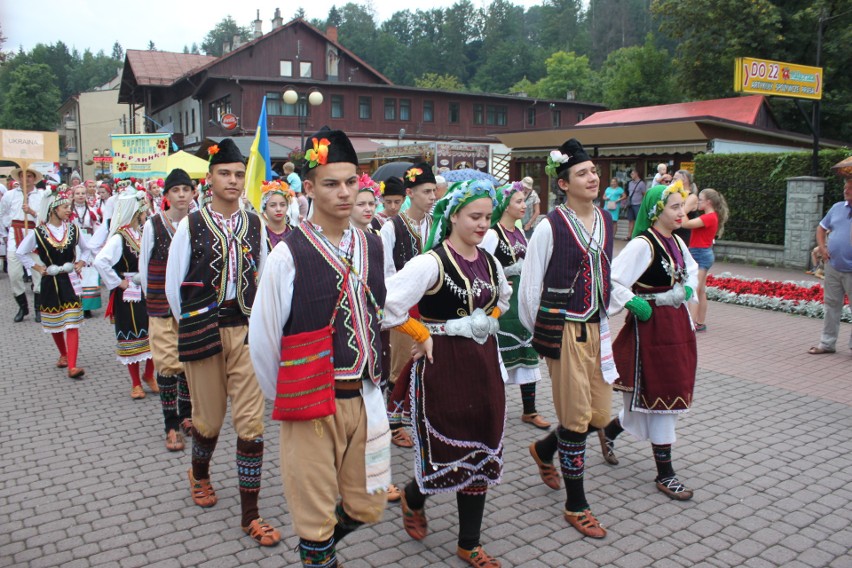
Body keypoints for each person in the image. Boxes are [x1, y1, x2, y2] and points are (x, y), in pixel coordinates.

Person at [249, 127, 390, 567]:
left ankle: (322, 548)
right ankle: (318, 551)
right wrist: (291, 396)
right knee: (313, 520)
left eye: (351, 181)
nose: (344, 192)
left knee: (370, 503)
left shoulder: (372, 243)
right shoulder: (287, 254)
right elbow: (265, 339)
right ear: (307, 189)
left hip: (366, 399)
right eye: (331, 183)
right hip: (313, 402)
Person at [384, 178, 511, 568]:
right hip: (444, 366)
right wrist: (420, 331)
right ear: (453, 214)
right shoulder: (431, 262)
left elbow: (503, 298)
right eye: (474, 216)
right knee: (447, 447)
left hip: (483, 364)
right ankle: (414, 494)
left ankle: (468, 543)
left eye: (488, 217)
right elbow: (387, 303)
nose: (482, 224)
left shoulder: (489, 261)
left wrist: (486, 318)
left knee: (482, 441)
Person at [165, 138, 280, 547]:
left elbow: (264, 278)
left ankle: (251, 514)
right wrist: (193, 328)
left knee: (251, 423)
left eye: (237, 174)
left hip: (245, 330)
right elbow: (174, 284)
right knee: (208, 419)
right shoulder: (189, 225)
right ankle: (199, 473)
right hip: (203, 329)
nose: (232, 180)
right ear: (208, 179)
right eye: (224, 173)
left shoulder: (256, 224)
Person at [519, 138, 616, 539]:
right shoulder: (550, 226)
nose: (592, 177)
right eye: (582, 173)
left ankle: (544, 450)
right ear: (563, 183)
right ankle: (576, 504)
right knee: (575, 420)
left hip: (598, 327)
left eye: (593, 171)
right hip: (565, 331)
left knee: (599, 416)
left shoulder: (607, 221)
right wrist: (544, 338)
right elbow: (529, 290)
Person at [602, 180, 699, 500]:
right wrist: (632, 302)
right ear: (657, 211)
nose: (680, 212)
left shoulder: (677, 242)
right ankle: (665, 473)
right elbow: (614, 279)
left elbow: (692, 270)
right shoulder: (643, 244)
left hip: (677, 326)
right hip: (652, 327)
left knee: (657, 395)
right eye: (673, 207)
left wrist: (686, 290)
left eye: (681, 206)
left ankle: (608, 432)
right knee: (660, 393)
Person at [482, 181, 550, 430]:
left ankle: (530, 410)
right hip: (503, 302)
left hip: (523, 299)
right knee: (500, 354)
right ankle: (494, 409)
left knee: (527, 350)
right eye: (519, 202)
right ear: (505, 206)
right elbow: (481, 263)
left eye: (524, 201)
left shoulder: (520, 232)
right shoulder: (492, 234)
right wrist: (503, 273)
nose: (524, 205)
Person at [380, 163, 437, 449]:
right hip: (403, 306)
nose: (432, 197)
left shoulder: (434, 223)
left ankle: (415, 415)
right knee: (399, 364)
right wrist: (397, 305)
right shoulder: (391, 228)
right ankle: (392, 425)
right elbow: (387, 272)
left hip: (430, 304)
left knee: (424, 361)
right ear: (410, 193)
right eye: (426, 192)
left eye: (433, 191)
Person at [139, 168, 194, 452]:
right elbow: (144, 268)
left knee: (188, 363)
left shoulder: (198, 222)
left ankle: (186, 414)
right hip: (161, 305)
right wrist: (156, 301)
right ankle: (170, 423)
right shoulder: (153, 225)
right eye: (176, 190)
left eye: (186, 189)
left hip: (191, 306)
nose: (182, 194)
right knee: (167, 364)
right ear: (167, 196)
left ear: (193, 193)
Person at [15, 187, 89, 378]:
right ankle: (63, 354)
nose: (68, 210)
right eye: (65, 207)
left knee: (72, 322)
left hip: (69, 279)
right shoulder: (38, 232)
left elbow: (87, 249)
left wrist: (81, 262)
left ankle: (72, 365)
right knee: (56, 322)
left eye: (69, 207)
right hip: (50, 280)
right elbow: (21, 252)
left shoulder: (73, 229)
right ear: (53, 209)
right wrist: (38, 267)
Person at [93, 185, 157, 398]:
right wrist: (119, 282)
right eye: (143, 211)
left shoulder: (141, 233)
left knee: (152, 333)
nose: (145, 214)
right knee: (132, 334)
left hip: (145, 290)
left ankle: (149, 374)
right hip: (128, 292)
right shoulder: (119, 238)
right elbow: (101, 261)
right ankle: (135, 383)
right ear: (136, 213)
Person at [807, 173, 852, 354]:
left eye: (850, 188)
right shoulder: (837, 208)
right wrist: (822, 246)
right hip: (833, 265)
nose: (846, 191)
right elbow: (821, 227)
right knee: (831, 304)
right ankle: (827, 343)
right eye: (845, 188)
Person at [681, 188, 728, 332]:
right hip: (703, 253)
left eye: (700, 200)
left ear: (708, 202)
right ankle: (700, 322)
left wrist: (682, 209)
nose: (698, 202)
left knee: (695, 289)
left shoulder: (709, 217)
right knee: (701, 290)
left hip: (700, 254)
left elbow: (686, 224)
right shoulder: (711, 216)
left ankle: (692, 324)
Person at [1, 165, 44, 322]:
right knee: (14, 274)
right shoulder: (10, 195)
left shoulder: (41, 195)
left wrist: (32, 212)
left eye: (29, 176)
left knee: (38, 271)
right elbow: (3, 213)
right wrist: (6, 231)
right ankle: (22, 306)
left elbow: (46, 216)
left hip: (34, 233)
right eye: (22, 176)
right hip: (15, 232)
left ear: (34, 179)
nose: (25, 179)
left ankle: (38, 308)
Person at [70, 184, 101, 317]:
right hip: (74, 242)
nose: (81, 195)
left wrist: (97, 245)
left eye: (83, 193)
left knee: (90, 274)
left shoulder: (92, 210)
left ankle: (87, 307)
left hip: (89, 241)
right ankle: (75, 303)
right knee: (75, 271)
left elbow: (97, 227)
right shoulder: (68, 211)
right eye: (78, 193)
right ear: (73, 195)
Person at [259, 179, 294, 250]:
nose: (278, 209)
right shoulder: (260, 234)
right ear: (265, 209)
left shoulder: (295, 232)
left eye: (282, 205)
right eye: (273, 205)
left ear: (287, 207)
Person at [671, 170, 698, 246]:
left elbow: (681, 213)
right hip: (673, 231)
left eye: (675, 179)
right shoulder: (675, 195)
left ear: (684, 180)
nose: (672, 181)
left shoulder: (692, 197)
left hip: (683, 234)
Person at [625, 169, 647, 239]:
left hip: (638, 204)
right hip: (630, 204)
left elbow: (644, 194)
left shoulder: (641, 183)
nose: (631, 176)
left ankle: (637, 235)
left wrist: (643, 204)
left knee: (638, 220)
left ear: (636, 174)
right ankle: (629, 235)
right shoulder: (630, 183)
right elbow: (629, 193)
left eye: (632, 174)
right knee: (630, 220)